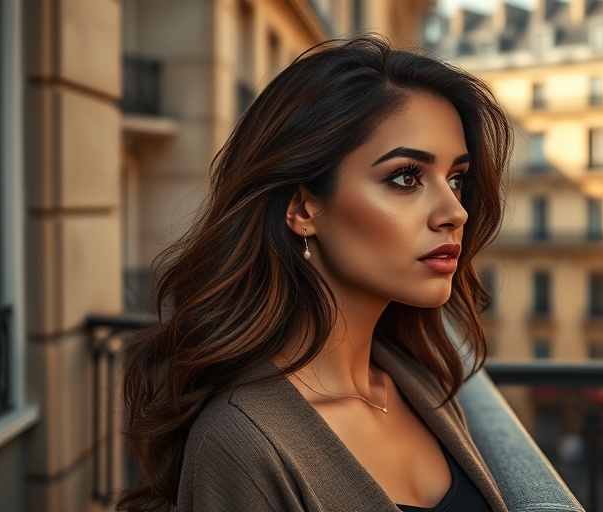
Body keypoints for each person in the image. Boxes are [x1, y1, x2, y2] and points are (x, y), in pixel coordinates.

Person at [117, 35, 512, 511]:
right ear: (303, 208)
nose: (455, 212)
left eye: (456, 179)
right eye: (406, 177)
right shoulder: (242, 444)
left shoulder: (417, 379)